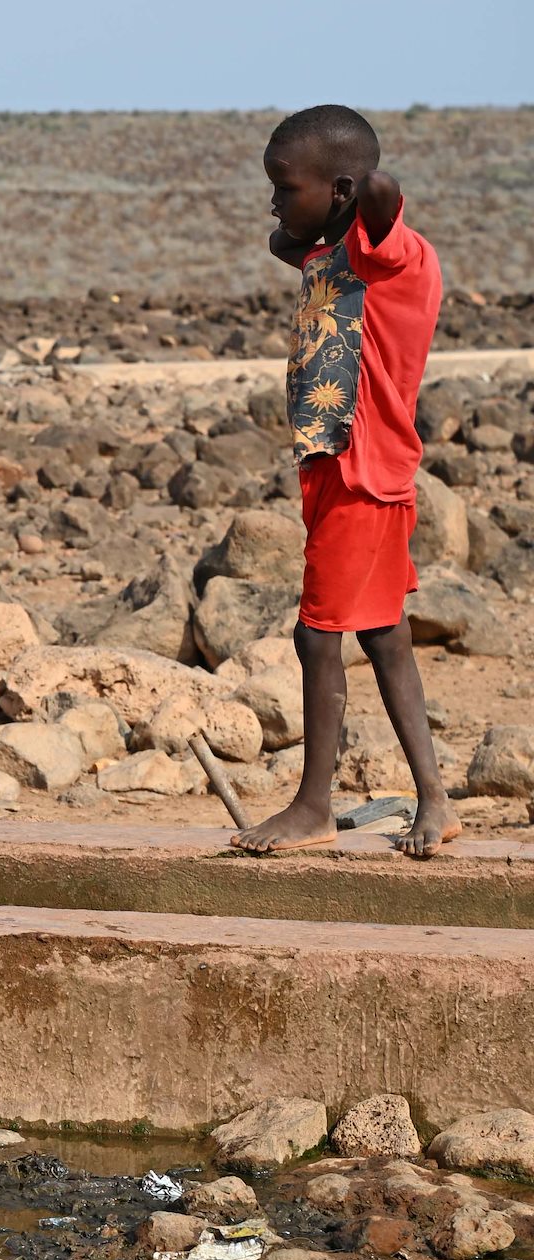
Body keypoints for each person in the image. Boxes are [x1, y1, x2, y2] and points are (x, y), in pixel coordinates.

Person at [231, 105, 455, 858]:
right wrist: (314, 217)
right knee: (384, 635)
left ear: (342, 190)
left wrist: (351, 201)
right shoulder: (334, 255)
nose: (273, 202)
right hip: (338, 466)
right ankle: (436, 801)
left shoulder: (392, 253)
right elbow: (281, 240)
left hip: (362, 471)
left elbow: (382, 190)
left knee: (316, 635)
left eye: (285, 186)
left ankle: (313, 807)